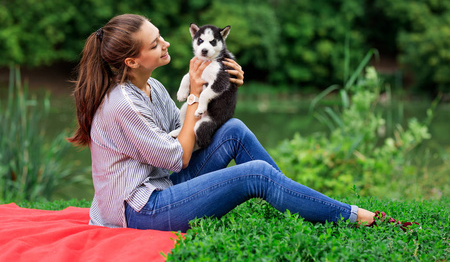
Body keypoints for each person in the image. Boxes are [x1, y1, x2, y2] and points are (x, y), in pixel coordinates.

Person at [68, 14, 389, 232]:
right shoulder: (121, 104)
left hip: (162, 183)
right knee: (257, 175)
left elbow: (180, 132)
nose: (165, 43)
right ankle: (351, 216)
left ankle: (294, 198)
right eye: (154, 44)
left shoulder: (152, 87)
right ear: (132, 61)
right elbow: (177, 156)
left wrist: (220, 85)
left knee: (233, 130)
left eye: (160, 36)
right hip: (138, 211)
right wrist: (195, 95)